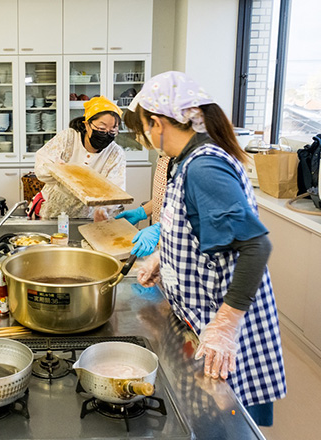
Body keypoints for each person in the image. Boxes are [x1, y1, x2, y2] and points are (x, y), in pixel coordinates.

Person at [131, 71, 286, 426]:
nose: (145, 136)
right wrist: (162, 256)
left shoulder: (205, 167)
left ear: (156, 122)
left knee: (223, 423)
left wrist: (225, 326)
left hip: (220, 322)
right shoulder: (187, 161)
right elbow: (196, 228)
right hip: (197, 318)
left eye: (143, 127)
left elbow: (255, 247)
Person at [32, 96, 126, 220]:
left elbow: (116, 190)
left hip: (89, 216)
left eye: (112, 130)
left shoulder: (115, 153)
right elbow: (41, 166)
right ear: (87, 124)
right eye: (101, 129)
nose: (106, 134)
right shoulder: (69, 137)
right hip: (54, 211)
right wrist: (56, 170)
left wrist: (104, 208)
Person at [116, 96, 171, 257]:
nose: (137, 137)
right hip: (165, 245)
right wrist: (142, 212)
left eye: (139, 131)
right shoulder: (163, 153)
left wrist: (162, 229)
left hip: (176, 240)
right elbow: (167, 198)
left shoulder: (196, 163)